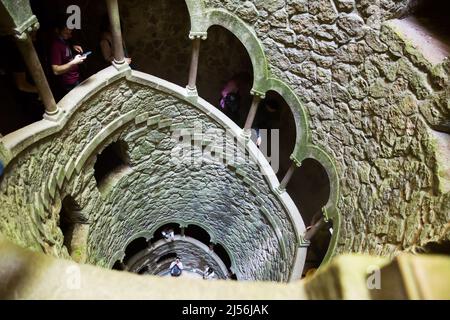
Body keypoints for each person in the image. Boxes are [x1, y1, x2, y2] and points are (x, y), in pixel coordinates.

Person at [50, 19, 86, 98]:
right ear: (57, 30)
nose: (70, 35)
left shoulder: (64, 40)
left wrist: (73, 47)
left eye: (70, 32)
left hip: (75, 76)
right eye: (66, 32)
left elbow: (65, 53)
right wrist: (74, 62)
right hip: (69, 82)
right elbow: (56, 70)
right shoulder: (55, 46)